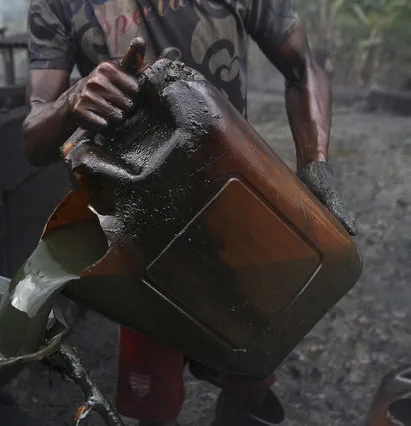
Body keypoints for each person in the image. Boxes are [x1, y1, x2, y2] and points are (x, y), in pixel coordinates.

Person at [21, 1, 357, 425]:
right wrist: (73, 97)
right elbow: (32, 139)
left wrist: (315, 164)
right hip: (144, 228)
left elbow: (302, 65)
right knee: (153, 400)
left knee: (252, 365)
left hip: (239, 202)